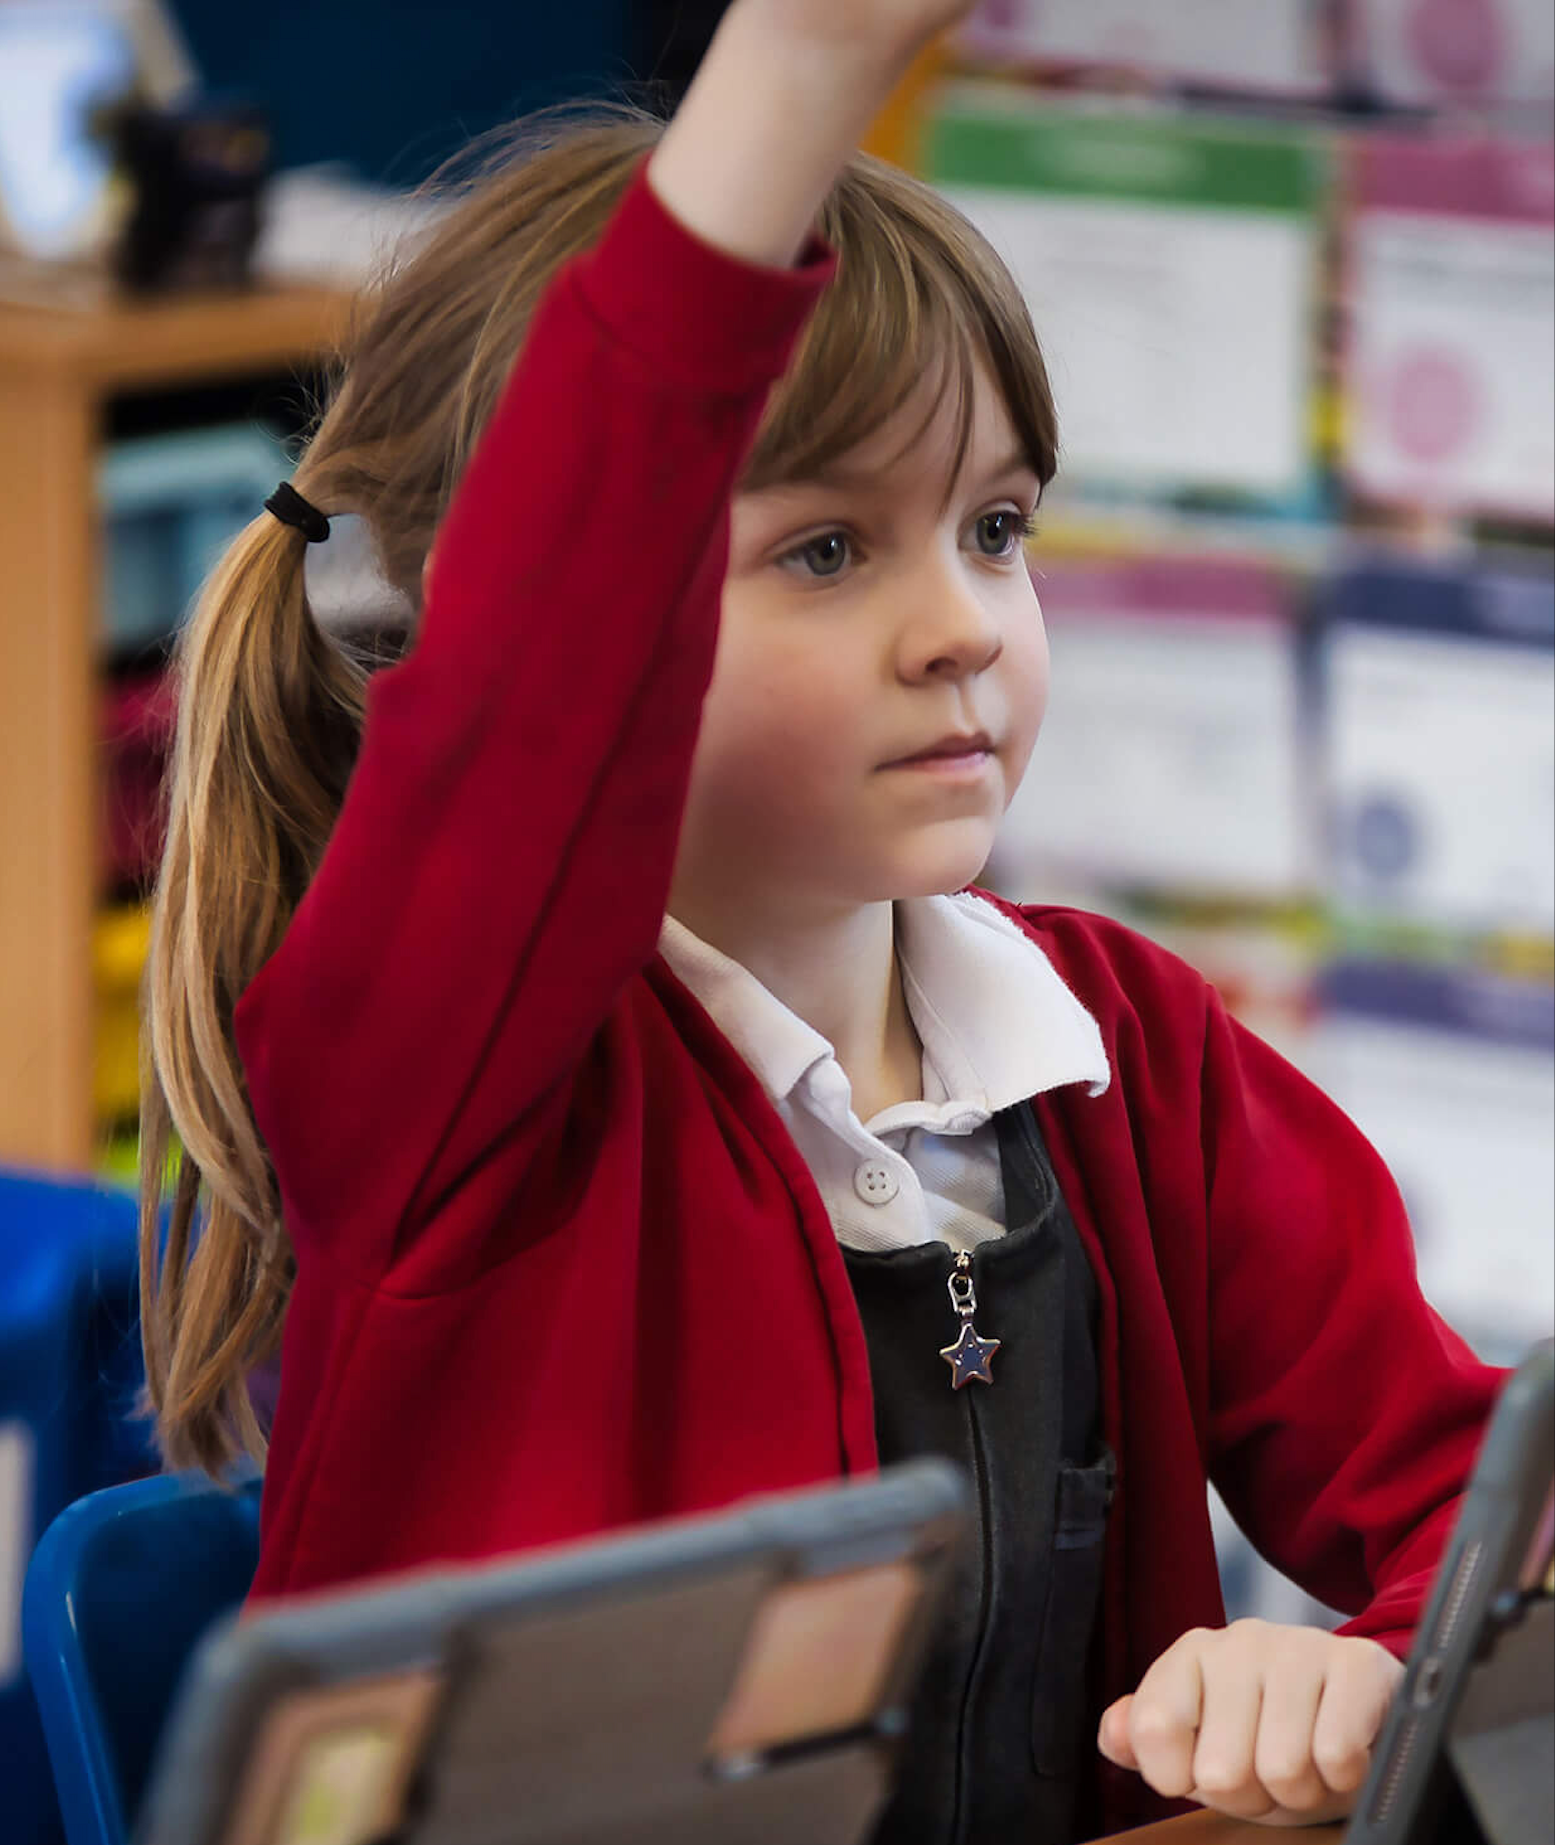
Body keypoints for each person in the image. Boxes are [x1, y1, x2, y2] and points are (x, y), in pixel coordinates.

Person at [136, 1, 1504, 1837]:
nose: (958, 624)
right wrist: (793, 66)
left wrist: (1369, 1655)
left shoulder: (1125, 1053)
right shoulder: (455, 1071)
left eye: (996, 528)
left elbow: (1488, 1504)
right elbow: (560, 622)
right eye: (827, 549)